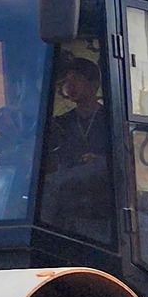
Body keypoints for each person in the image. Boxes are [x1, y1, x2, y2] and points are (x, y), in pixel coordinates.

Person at [38, 54, 115, 237]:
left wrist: (100, 160)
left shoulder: (110, 119)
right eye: (67, 81)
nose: (69, 85)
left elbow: (123, 159)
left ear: (94, 84)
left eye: (76, 79)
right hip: (67, 205)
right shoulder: (61, 122)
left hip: (101, 204)